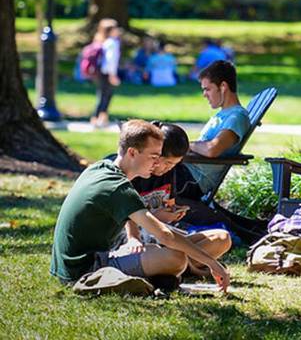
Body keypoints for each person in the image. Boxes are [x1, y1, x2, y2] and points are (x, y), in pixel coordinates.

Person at [50, 119, 230, 291]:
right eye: (153, 156)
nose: (156, 163)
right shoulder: (119, 188)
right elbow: (165, 235)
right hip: (84, 269)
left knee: (203, 243)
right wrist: (213, 264)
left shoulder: (102, 167)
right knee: (176, 258)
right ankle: (164, 273)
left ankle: (162, 273)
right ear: (132, 153)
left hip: (75, 264)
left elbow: (163, 232)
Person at [123, 123, 231, 275]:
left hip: (163, 236)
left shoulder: (168, 173)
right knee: (175, 254)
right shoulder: (134, 174)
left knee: (222, 237)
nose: (170, 168)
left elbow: (169, 206)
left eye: (174, 164)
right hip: (139, 239)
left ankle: (178, 267)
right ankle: (185, 266)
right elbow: (127, 222)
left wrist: (173, 212)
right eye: (167, 163)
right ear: (156, 154)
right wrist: (157, 217)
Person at [181, 60, 250, 199]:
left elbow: (213, 149)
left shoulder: (236, 117)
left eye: (207, 89)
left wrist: (186, 145)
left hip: (191, 180)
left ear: (223, 86)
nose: (204, 94)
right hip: (184, 172)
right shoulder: (222, 114)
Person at [90, 18, 121, 128]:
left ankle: (102, 119)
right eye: (116, 28)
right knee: (105, 97)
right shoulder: (112, 43)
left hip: (101, 73)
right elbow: (110, 61)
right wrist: (112, 75)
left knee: (104, 96)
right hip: (107, 73)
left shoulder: (103, 41)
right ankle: (96, 118)